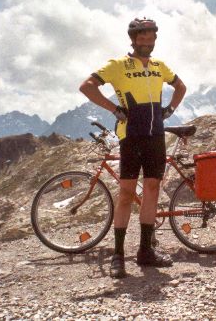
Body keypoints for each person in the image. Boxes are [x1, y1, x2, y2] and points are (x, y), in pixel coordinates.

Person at [80, 17, 186, 278]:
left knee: (151, 189)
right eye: (142, 37)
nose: (146, 42)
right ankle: (118, 254)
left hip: (155, 137)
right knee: (126, 194)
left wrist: (169, 110)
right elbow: (87, 87)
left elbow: (180, 86)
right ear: (133, 38)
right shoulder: (118, 65)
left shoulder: (160, 67)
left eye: (150, 37)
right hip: (131, 137)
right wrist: (114, 109)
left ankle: (145, 252)